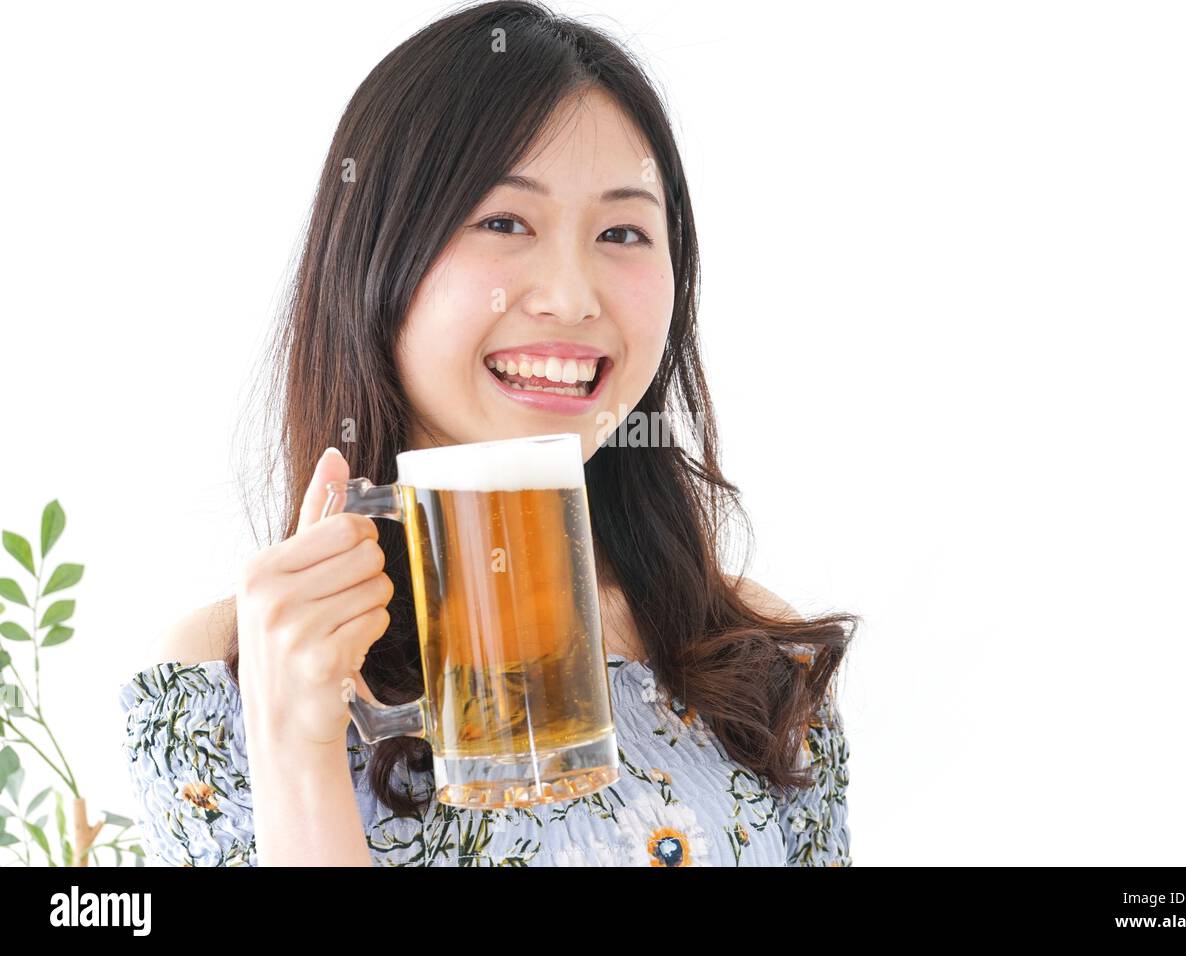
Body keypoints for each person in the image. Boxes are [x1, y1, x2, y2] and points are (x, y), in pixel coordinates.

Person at [117, 0, 858, 867]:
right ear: (375, 260)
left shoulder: (751, 654)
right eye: (505, 222)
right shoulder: (223, 679)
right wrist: (296, 745)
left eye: (623, 231)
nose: (572, 295)